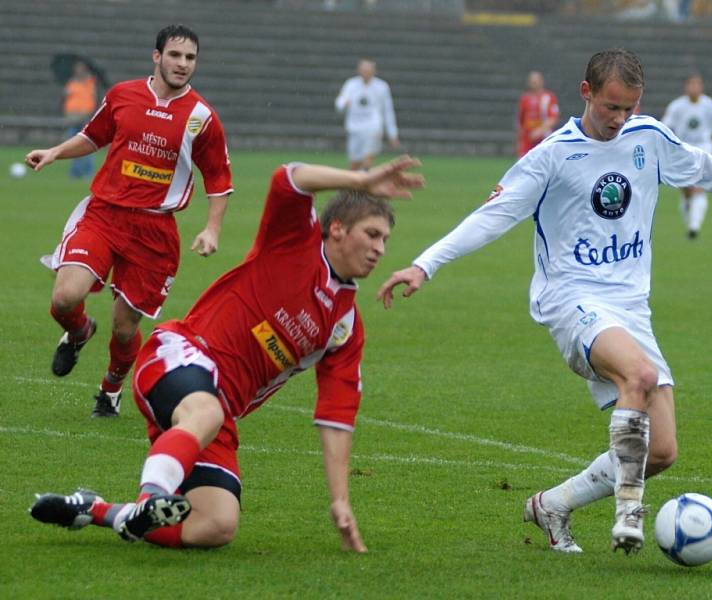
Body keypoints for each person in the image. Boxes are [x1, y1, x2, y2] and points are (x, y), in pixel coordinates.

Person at [377, 49, 712, 555]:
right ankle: (630, 513)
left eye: (630, 109)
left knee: (660, 451)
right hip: (571, 299)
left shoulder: (648, 137)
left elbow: (698, 165)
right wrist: (424, 264)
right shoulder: (552, 155)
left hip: (631, 307)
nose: (620, 120)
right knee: (636, 376)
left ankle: (553, 504)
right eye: (612, 107)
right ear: (586, 92)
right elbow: (493, 216)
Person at [29, 156, 423, 550]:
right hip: (180, 355)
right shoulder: (294, 243)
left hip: (218, 414)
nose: (379, 248)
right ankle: (150, 498)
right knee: (207, 412)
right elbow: (289, 177)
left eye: (385, 240)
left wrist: (340, 500)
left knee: (216, 525)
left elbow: (336, 417)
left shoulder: (345, 327)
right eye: (372, 234)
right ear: (336, 229)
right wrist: (361, 179)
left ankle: (97, 509)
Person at [26, 25, 233, 418]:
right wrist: (55, 152)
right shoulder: (123, 94)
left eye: (190, 58)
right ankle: (80, 330)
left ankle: (110, 391)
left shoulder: (202, 117)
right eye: (175, 55)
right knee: (64, 298)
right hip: (104, 214)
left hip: (154, 232)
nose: (183, 64)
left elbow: (219, 179)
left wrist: (212, 228)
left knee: (124, 328)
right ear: (157, 56)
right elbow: (93, 135)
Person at [662, 73, 712, 239]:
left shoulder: (710, 105)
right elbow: (665, 128)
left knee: (699, 186)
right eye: (691, 84)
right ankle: (690, 220)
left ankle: (694, 226)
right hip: (683, 150)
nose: (694, 87)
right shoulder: (676, 106)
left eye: (697, 84)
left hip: (704, 148)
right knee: (686, 191)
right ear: (686, 87)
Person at [335, 58, 400, 170]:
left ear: (374, 71)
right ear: (359, 70)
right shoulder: (351, 84)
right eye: (363, 70)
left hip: (373, 128)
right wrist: (344, 104)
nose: (366, 73)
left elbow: (388, 111)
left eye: (368, 70)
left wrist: (392, 134)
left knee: (367, 161)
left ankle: (364, 184)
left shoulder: (382, 87)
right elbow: (340, 102)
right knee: (354, 164)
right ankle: (352, 186)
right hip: (354, 128)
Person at [62, 59, 98, 179]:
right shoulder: (71, 83)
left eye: (81, 69)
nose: (79, 71)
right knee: (72, 147)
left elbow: (94, 99)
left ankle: (88, 172)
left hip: (85, 118)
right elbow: (65, 99)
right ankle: (75, 172)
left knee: (87, 146)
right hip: (73, 119)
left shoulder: (90, 82)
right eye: (77, 69)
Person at [516, 70, 560, 157]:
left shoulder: (548, 97)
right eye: (532, 81)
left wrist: (540, 130)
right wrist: (519, 141)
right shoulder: (524, 99)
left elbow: (553, 118)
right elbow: (520, 121)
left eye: (536, 80)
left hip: (544, 140)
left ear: (541, 81)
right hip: (527, 141)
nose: (534, 83)